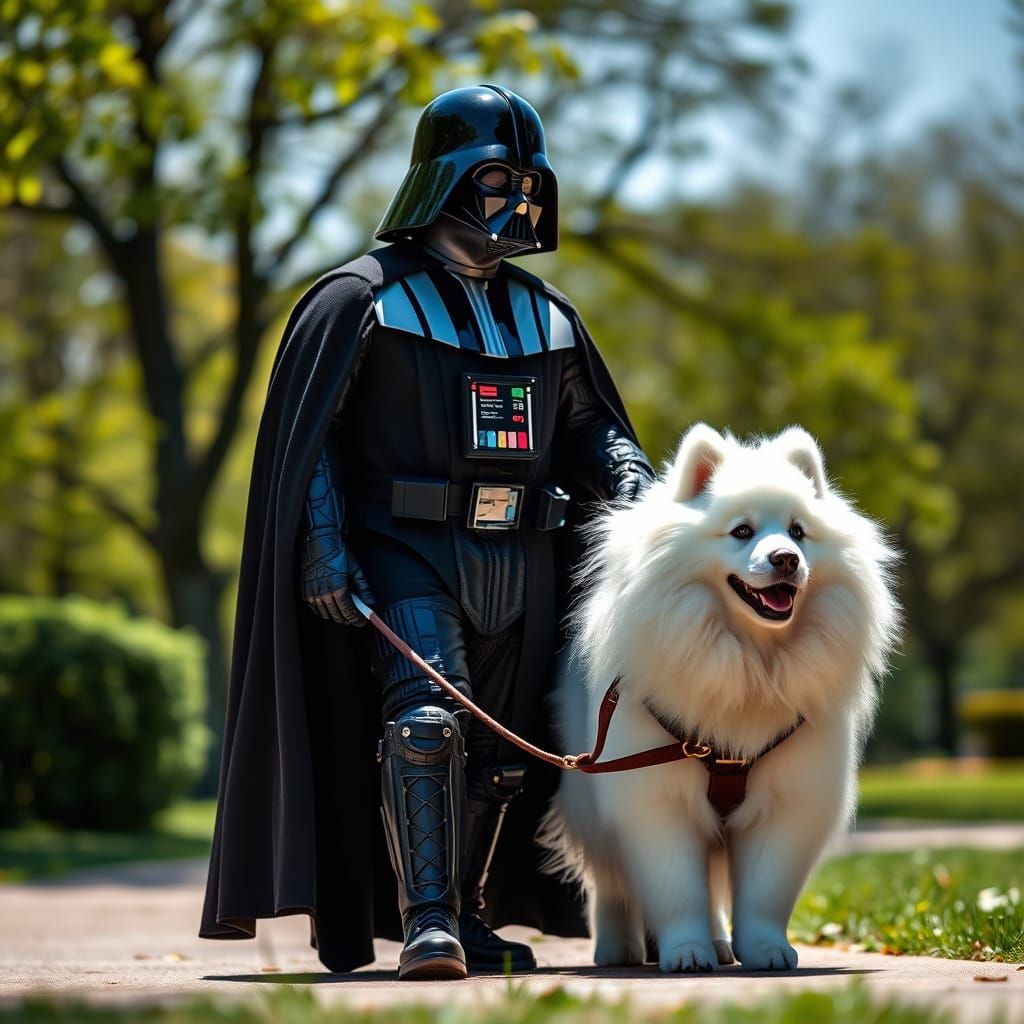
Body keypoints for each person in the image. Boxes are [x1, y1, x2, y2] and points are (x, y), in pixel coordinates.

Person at [200, 84, 654, 980]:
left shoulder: (548, 314)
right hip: (404, 550)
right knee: (426, 724)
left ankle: (471, 914)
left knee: (503, 747)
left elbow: (588, 427)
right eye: (496, 179)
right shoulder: (362, 300)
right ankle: (430, 921)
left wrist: (633, 481)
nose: (516, 200)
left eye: (529, 183)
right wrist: (321, 544)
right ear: (443, 179)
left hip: (523, 557)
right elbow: (315, 438)